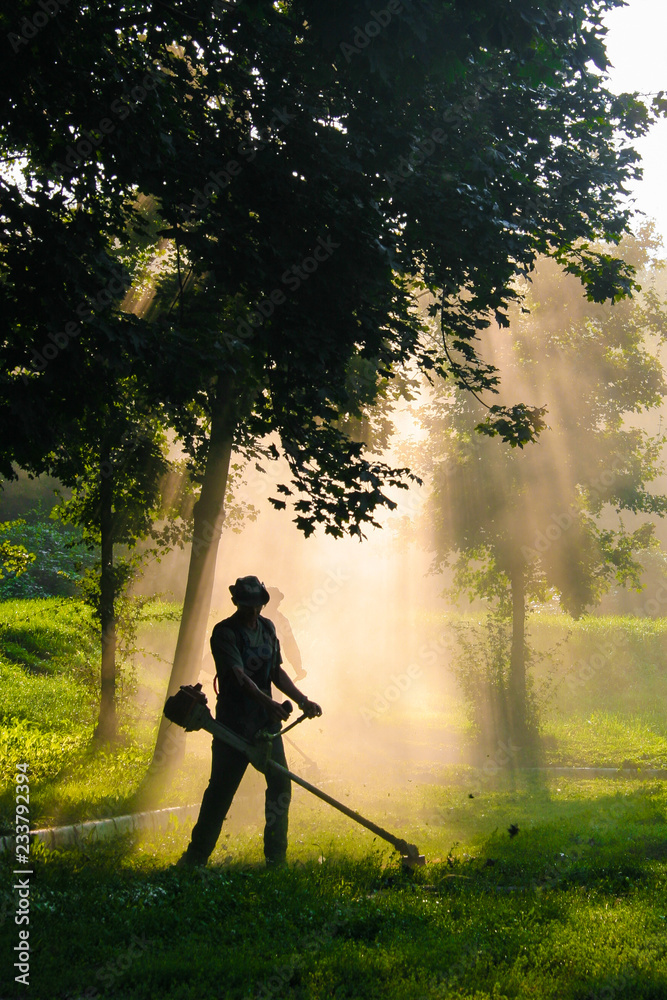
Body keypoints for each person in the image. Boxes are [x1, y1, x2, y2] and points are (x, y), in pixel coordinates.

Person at [177, 575, 321, 868]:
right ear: (236, 602)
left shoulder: (268, 628)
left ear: (263, 603)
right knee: (221, 790)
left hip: (266, 727)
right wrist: (269, 703)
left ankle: (275, 859)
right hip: (234, 725)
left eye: (258, 605)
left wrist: (303, 700)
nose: (253, 611)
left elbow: (276, 672)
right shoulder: (224, 633)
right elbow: (239, 678)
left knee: (280, 786)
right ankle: (195, 858)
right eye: (247, 605)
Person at [266, 586, 307, 682]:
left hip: (274, 669)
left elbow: (290, 645)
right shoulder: (254, 618)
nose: (275, 603)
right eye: (273, 600)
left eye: (277, 601)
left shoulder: (282, 621)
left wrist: (298, 668)